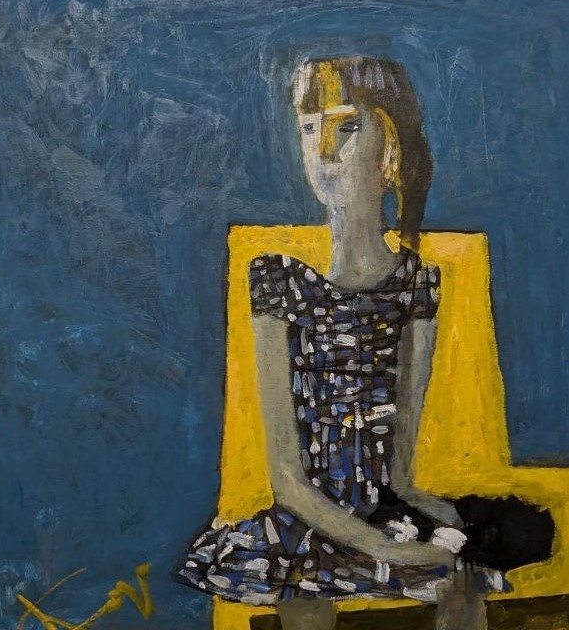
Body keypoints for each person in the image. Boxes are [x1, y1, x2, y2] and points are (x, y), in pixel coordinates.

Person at [173, 56, 552, 630]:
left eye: (347, 126)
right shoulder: (277, 280)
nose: (323, 148)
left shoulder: (417, 284)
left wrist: (440, 528)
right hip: (308, 523)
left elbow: (398, 474)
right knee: (304, 595)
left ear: (390, 155)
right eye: (309, 128)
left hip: (383, 513)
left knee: (462, 588)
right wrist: (389, 550)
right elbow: (288, 481)